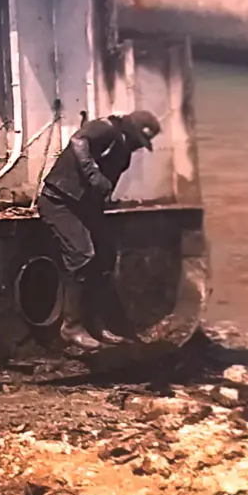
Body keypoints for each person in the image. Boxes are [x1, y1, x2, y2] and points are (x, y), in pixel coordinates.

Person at [36, 109, 162, 346]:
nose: (137, 147)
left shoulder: (123, 154)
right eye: (138, 140)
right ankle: (72, 327)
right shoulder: (106, 128)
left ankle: (96, 325)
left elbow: (103, 189)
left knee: (105, 257)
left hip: (84, 207)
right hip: (59, 202)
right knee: (82, 255)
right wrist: (92, 173)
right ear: (130, 132)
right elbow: (78, 140)